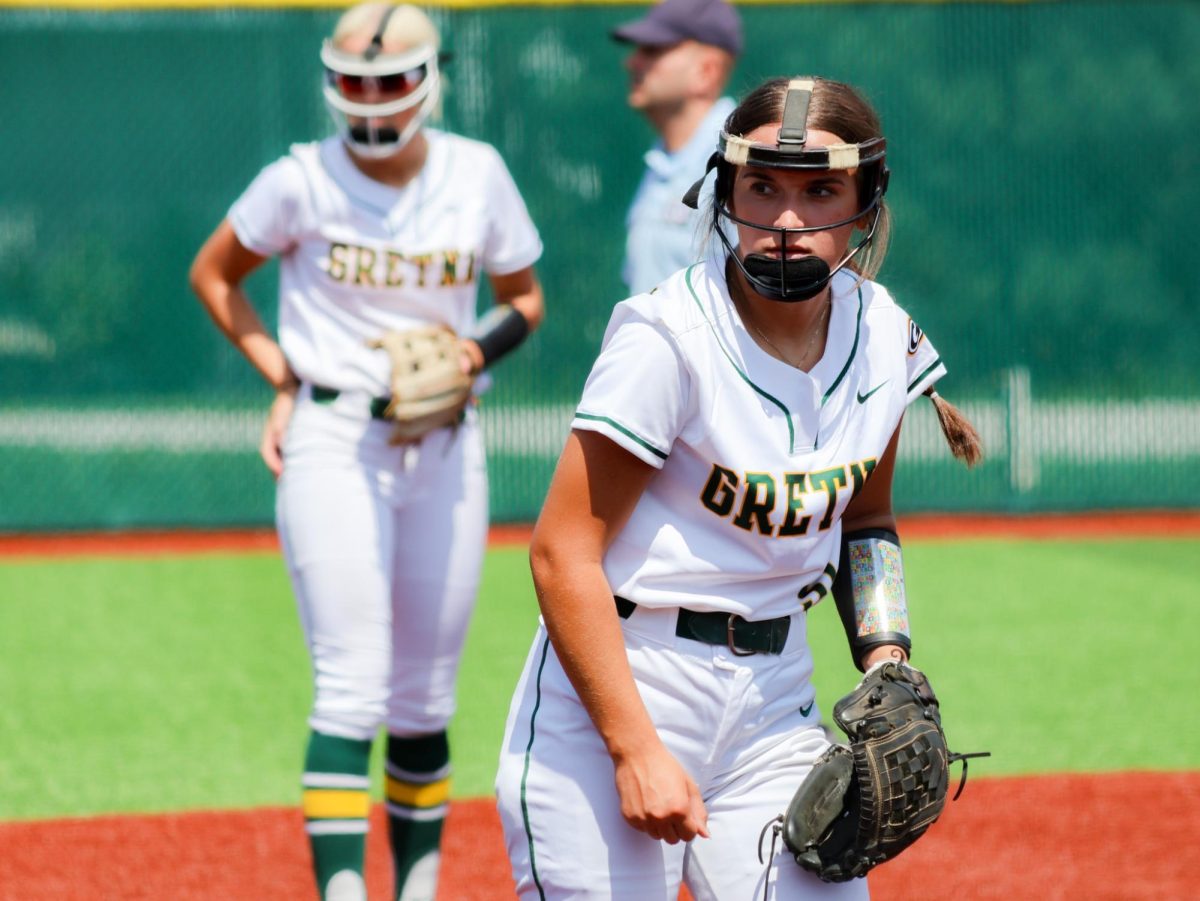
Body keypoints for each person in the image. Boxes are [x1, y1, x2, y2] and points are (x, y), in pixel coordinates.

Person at [495, 76, 980, 899]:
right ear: (724, 192)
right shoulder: (668, 339)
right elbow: (561, 554)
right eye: (762, 187)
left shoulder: (883, 336)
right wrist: (633, 747)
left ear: (866, 204)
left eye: (821, 190)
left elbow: (866, 518)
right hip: (620, 683)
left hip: (772, 698)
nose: (788, 221)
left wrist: (886, 657)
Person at [189, 4, 544, 900]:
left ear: (429, 78)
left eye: (389, 81)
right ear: (329, 81)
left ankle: (415, 892)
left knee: (425, 696)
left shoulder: (477, 173)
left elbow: (525, 299)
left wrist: (470, 353)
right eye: (353, 81)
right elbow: (215, 274)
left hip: (446, 439)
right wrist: (283, 375)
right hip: (335, 435)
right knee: (351, 684)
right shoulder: (300, 179)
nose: (372, 100)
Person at [611, 0, 743, 295]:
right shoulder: (665, 159)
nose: (632, 62)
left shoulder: (739, 159)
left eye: (653, 49)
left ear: (706, 71)